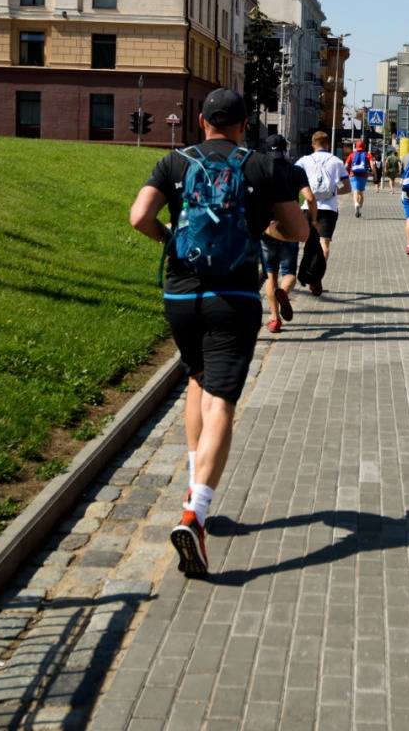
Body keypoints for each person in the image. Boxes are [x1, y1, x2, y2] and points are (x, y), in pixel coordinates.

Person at [129, 89, 308, 577]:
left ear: (203, 121)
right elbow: (300, 232)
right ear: (244, 123)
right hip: (234, 299)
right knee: (222, 402)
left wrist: (170, 240)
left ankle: (192, 482)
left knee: (197, 379)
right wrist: (262, 228)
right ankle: (196, 512)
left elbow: (139, 216)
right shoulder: (261, 167)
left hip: (181, 297)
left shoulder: (175, 162)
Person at [259, 134, 317, 334]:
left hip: (266, 228)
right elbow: (309, 197)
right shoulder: (296, 171)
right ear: (286, 149)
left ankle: (275, 320)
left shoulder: (261, 170)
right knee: (289, 272)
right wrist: (313, 220)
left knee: (270, 274)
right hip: (289, 228)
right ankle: (283, 292)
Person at [295, 131, 350, 295]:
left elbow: (293, 178)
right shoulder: (337, 161)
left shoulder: (304, 161)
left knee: (309, 243)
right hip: (329, 209)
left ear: (313, 145)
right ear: (328, 145)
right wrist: (333, 193)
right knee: (324, 245)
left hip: (307, 206)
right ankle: (317, 277)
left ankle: (309, 271)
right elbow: (347, 187)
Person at [346, 140, 373, 217]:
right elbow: (372, 165)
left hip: (353, 175)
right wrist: (375, 174)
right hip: (363, 176)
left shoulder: (351, 155)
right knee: (361, 193)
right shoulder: (368, 155)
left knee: (355, 192)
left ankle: (356, 204)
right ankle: (360, 210)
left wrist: (345, 173)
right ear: (364, 147)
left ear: (355, 147)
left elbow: (346, 165)